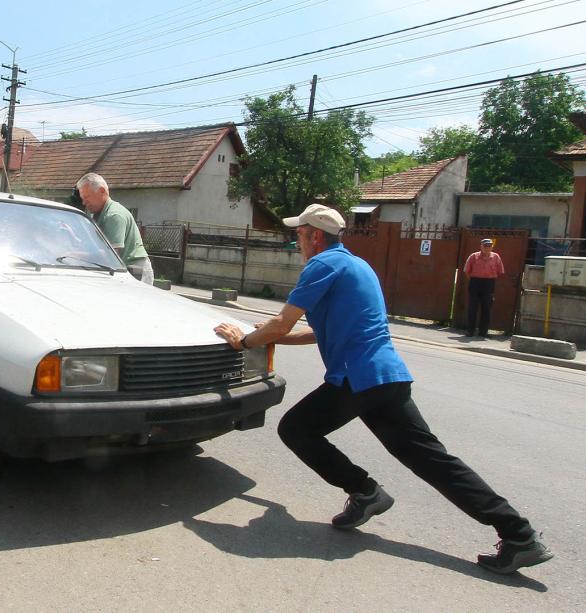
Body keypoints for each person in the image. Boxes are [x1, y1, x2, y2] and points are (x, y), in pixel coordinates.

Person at [213, 204, 552, 575]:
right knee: (432, 459)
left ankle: (365, 491)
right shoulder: (357, 265)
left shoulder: (321, 265)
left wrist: (244, 341)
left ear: (315, 235)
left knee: (295, 428)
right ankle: (519, 534)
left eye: (299, 234)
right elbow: (314, 331)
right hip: (386, 377)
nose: (297, 241)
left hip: (357, 378)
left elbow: (281, 322)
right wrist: (273, 337)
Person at [75, 173, 154, 285]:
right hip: (121, 272)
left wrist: (74, 255)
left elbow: (111, 254)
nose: (84, 202)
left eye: (86, 197)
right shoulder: (98, 214)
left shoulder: (114, 215)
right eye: (82, 198)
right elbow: (92, 245)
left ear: (102, 191)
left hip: (135, 272)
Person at [463, 238, 505, 338]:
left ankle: (483, 332)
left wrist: (489, 278)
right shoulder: (473, 256)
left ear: (492, 247)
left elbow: (500, 271)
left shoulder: (496, 257)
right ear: (481, 246)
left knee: (486, 309)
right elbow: (467, 271)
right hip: (475, 283)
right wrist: (475, 279)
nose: (487, 248)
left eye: (489, 246)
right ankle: (470, 331)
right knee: (473, 308)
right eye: (485, 246)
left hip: (489, 284)